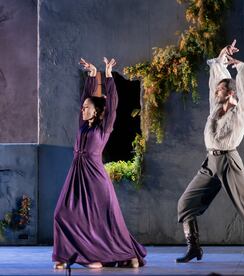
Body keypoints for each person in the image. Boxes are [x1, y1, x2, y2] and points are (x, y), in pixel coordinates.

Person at [176, 40, 244, 263]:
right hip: (210, 162)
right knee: (185, 204)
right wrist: (223, 56)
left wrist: (238, 65)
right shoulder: (215, 106)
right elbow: (217, 71)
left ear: (230, 92)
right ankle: (194, 248)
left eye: (220, 89)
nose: (216, 91)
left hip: (229, 161)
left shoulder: (242, 111)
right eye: (217, 88)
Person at [52, 57, 146, 269]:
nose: (82, 109)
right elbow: (86, 95)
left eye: (86, 107)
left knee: (106, 220)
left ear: (95, 110)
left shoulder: (104, 128)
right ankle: (65, 255)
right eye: (83, 107)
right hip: (76, 174)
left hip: (95, 177)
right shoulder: (82, 126)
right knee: (61, 213)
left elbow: (112, 104)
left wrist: (108, 74)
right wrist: (93, 74)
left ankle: (126, 254)